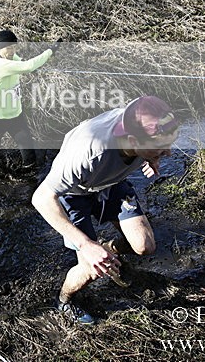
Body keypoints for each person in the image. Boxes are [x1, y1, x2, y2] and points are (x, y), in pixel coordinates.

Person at [31, 96, 179, 325]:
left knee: (144, 246)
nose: (168, 153)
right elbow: (41, 198)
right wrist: (86, 245)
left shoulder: (141, 121)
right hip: (76, 192)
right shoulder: (87, 153)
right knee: (91, 268)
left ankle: (109, 249)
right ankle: (64, 300)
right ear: (132, 141)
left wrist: (153, 156)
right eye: (161, 149)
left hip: (110, 183)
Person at [0, 30, 55, 168]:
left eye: (14, 47)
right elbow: (28, 66)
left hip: (16, 117)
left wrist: (23, 62)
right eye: (8, 48)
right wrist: (50, 51)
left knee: (30, 160)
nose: (12, 51)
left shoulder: (11, 57)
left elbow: (22, 62)